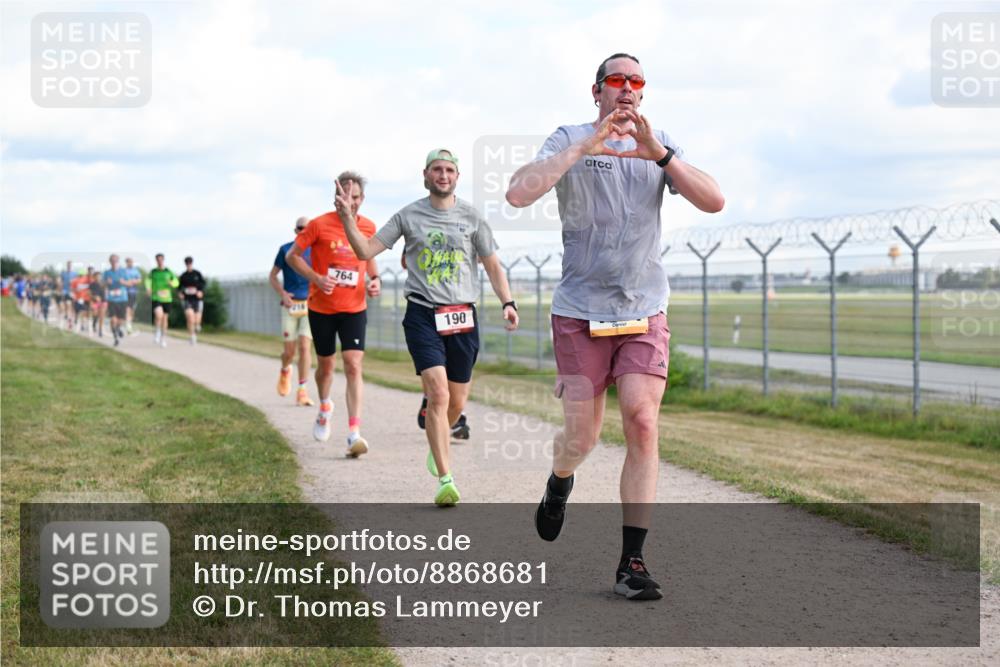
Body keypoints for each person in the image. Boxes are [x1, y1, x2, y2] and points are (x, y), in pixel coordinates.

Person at [506, 53, 724, 600]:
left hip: (643, 309)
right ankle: (560, 481)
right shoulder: (570, 136)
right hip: (580, 311)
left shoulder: (658, 143)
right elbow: (518, 192)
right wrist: (585, 148)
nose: (627, 88)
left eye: (636, 81)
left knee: (642, 421)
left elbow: (715, 200)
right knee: (581, 437)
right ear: (598, 90)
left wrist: (662, 156)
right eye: (617, 80)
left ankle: (632, 561)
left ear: (643, 93)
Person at [339, 149, 519, 507]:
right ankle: (445, 479)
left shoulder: (472, 216)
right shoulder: (408, 215)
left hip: (462, 315)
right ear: (426, 175)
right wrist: (347, 218)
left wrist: (508, 302)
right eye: (437, 169)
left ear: (457, 177)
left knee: (456, 401)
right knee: (438, 394)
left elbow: (492, 265)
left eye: (449, 170)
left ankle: (439, 442)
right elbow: (364, 251)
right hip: (423, 314)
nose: (443, 175)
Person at [286, 172, 381, 458]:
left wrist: (375, 280)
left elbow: (369, 258)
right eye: (345, 196)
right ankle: (325, 405)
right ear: (336, 197)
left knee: (353, 364)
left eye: (355, 197)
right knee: (326, 367)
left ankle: (354, 433)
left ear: (362, 199)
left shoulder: (368, 226)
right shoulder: (318, 225)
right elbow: (292, 256)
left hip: (354, 308)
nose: (350, 202)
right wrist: (316, 277)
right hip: (322, 308)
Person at [270, 216, 315, 407]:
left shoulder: (317, 249)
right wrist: (283, 294)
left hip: (310, 304)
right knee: (289, 351)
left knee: (305, 346)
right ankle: (285, 368)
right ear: (295, 230)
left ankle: (302, 390)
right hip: (290, 305)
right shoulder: (285, 249)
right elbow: (272, 276)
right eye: (300, 228)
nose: (304, 231)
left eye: (307, 228)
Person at [145, 253, 179, 347]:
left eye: (161, 260)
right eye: (158, 260)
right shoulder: (153, 272)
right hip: (156, 297)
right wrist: (148, 288)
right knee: (158, 314)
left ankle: (163, 338)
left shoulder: (168, 271)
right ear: (156, 261)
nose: (159, 261)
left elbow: (176, 282)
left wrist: (172, 283)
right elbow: (148, 280)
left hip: (167, 298)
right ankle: (157, 331)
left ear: (163, 260)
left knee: (165, 318)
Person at [178, 256, 206, 345]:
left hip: (197, 300)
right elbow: (179, 287)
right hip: (187, 299)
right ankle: (192, 336)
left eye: (190, 263)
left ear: (192, 263)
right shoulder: (183, 276)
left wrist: (201, 292)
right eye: (187, 263)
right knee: (190, 318)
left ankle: (197, 327)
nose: (188, 264)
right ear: (185, 264)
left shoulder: (197, 274)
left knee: (196, 321)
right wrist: (180, 293)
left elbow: (203, 284)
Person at [103, 254, 130, 346]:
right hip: (111, 299)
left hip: (122, 298)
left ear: (118, 261)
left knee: (121, 320)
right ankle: (115, 338)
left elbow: (130, 283)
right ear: (110, 262)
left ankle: (118, 328)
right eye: (112, 261)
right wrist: (107, 282)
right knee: (113, 320)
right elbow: (102, 284)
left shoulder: (123, 271)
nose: (114, 262)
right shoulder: (107, 273)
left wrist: (123, 282)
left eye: (115, 261)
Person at [123, 257, 142, 334]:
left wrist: (134, 281)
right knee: (127, 308)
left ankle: (129, 323)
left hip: (133, 292)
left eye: (131, 262)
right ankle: (128, 325)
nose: (130, 263)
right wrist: (127, 283)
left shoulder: (136, 271)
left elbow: (139, 280)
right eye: (128, 262)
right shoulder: (123, 271)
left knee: (132, 309)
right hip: (125, 292)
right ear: (126, 263)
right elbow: (120, 280)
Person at [69, 269, 91, 333]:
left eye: (83, 275)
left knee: (84, 312)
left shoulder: (88, 280)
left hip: (86, 299)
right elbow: (71, 289)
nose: (82, 276)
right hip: (78, 299)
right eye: (81, 275)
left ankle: (82, 324)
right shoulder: (75, 280)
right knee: (79, 312)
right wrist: (75, 292)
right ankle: (78, 322)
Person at [59, 261, 76, 329]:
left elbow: (76, 282)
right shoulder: (63, 273)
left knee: (70, 306)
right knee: (67, 305)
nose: (69, 266)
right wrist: (61, 289)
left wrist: (73, 283)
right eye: (68, 265)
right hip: (65, 291)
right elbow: (61, 282)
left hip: (72, 292)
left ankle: (70, 319)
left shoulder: (74, 273)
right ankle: (68, 316)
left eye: (70, 265)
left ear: (71, 266)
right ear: (67, 266)